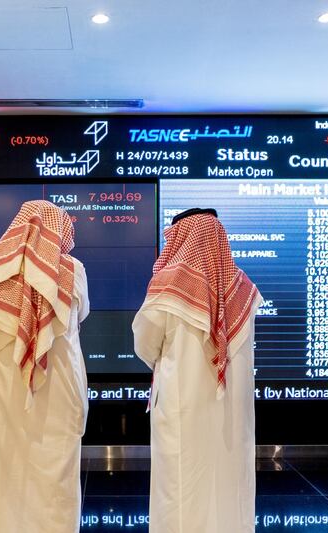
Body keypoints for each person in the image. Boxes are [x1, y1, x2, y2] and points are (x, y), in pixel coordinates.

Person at [132, 208, 263, 533]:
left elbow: (144, 345)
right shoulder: (243, 290)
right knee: (227, 488)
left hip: (183, 412)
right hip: (229, 417)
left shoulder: (168, 285)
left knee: (182, 491)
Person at [0, 200, 90, 533]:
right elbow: (82, 315)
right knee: (52, 475)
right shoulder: (71, 271)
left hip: (0, 395)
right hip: (55, 390)